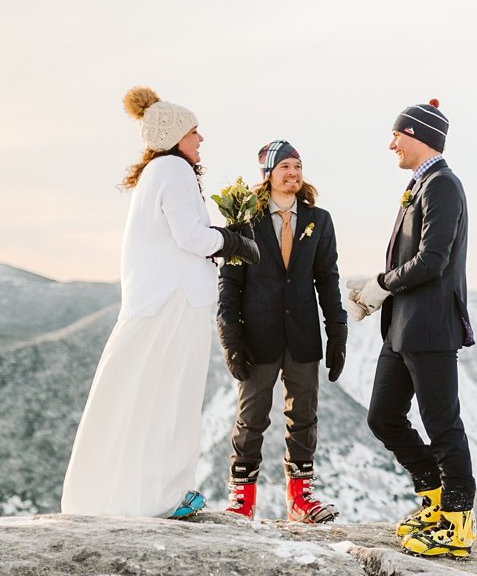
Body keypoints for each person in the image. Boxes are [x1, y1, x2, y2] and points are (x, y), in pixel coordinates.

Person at [61, 87, 259, 519]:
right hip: (177, 301)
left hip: (154, 299)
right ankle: (165, 495)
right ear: (174, 136)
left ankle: (122, 494)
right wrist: (231, 240)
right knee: (173, 396)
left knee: (138, 395)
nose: (201, 139)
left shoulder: (155, 172)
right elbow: (190, 236)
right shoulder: (174, 169)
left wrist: (223, 238)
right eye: (194, 131)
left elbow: (177, 234)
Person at [345, 99, 477, 556]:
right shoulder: (421, 185)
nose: (391, 144)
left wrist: (381, 285)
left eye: (397, 136)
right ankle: (435, 498)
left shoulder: (442, 186)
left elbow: (431, 261)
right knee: (383, 417)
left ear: (418, 135)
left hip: (431, 327)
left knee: (442, 424)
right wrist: (375, 292)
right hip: (402, 328)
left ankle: (457, 525)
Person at [216, 140, 347, 524]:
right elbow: (230, 284)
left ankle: (300, 500)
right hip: (258, 337)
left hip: (304, 335)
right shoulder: (244, 222)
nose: (293, 173)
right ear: (268, 174)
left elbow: (328, 279)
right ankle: (241, 501)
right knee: (252, 416)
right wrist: (230, 337)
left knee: (304, 417)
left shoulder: (318, 220)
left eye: (298, 165)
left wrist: (336, 331)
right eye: (285, 166)